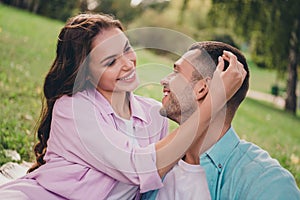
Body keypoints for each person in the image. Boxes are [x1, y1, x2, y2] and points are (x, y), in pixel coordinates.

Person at [0, 14, 246, 199]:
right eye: (110, 61)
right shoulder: (73, 109)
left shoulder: (152, 114)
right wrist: (215, 101)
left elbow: (162, 176)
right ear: (86, 74)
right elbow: (139, 167)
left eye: (127, 49)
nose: (127, 64)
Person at [142, 41, 300, 200]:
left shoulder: (266, 182)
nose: (164, 80)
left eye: (176, 72)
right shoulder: (158, 163)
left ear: (202, 89)